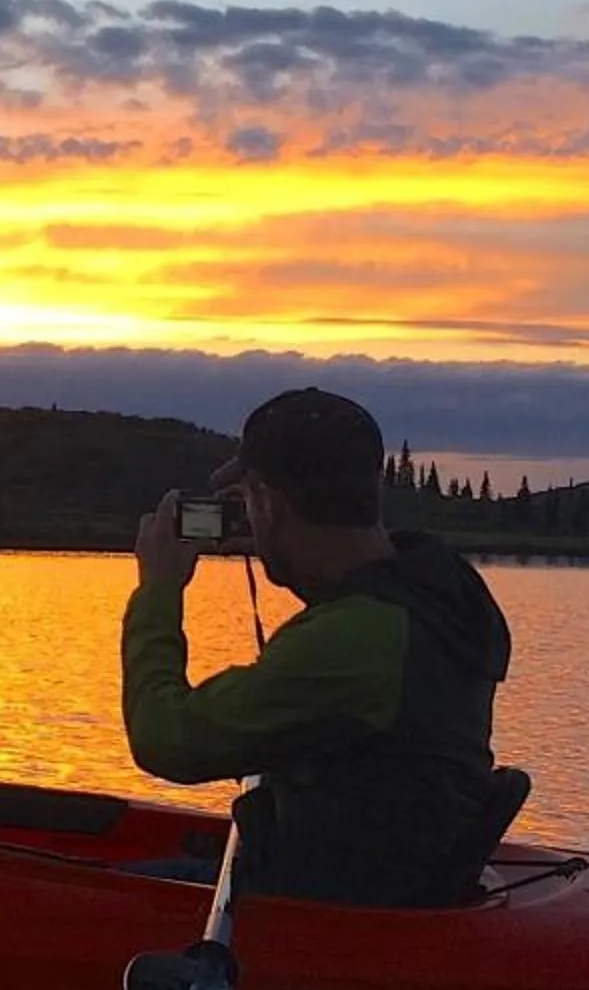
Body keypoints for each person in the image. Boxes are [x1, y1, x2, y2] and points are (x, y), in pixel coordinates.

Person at [123, 388, 514, 907]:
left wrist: (158, 590)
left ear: (267, 501)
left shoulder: (354, 640)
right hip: (388, 886)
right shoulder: (434, 594)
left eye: (248, 502)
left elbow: (165, 738)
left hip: (325, 910)